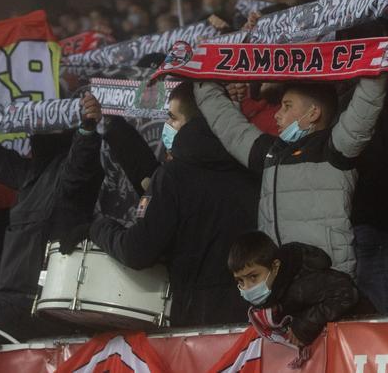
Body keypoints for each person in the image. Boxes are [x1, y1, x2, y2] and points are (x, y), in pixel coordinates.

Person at [64, 84, 259, 328]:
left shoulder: (175, 176)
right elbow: (150, 178)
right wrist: (114, 126)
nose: (168, 124)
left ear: (191, 123)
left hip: (197, 321)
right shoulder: (253, 170)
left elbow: (137, 250)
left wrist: (97, 227)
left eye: (172, 117)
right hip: (254, 320)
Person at [0, 93, 105, 349]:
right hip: (12, 304)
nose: (35, 132)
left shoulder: (71, 174)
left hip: (41, 306)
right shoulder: (28, 173)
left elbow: (81, 165)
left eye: (44, 123)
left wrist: (87, 130)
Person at [195, 76, 387, 276]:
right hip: (278, 281)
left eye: (287, 106)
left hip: (329, 281)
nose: (277, 115)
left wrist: (378, 63)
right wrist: (200, 79)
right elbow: (228, 126)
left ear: (313, 112)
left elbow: (367, 104)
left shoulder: (336, 148)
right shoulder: (271, 153)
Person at [227, 231, 366, 347]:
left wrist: (304, 326)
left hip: (362, 342)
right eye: (240, 281)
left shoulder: (300, 286)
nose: (247, 287)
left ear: (275, 267)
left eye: (253, 277)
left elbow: (346, 292)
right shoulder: (275, 290)